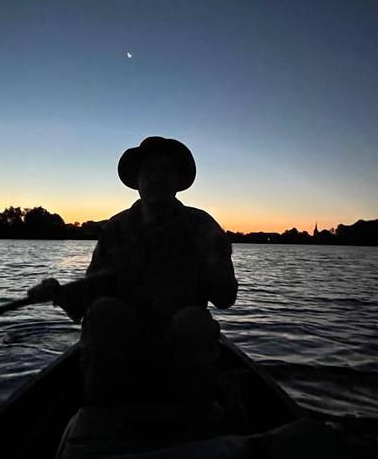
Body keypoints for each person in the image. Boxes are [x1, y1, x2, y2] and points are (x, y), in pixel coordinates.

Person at [28, 136, 238, 404]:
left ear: (177, 182)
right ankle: (102, 413)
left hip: (181, 339)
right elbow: (92, 292)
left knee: (193, 321)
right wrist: (58, 292)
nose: (157, 177)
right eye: (149, 170)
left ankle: (192, 416)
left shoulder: (202, 225)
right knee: (103, 313)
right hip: (125, 339)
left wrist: (216, 260)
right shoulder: (115, 228)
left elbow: (225, 298)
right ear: (137, 181)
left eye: (165, 170)